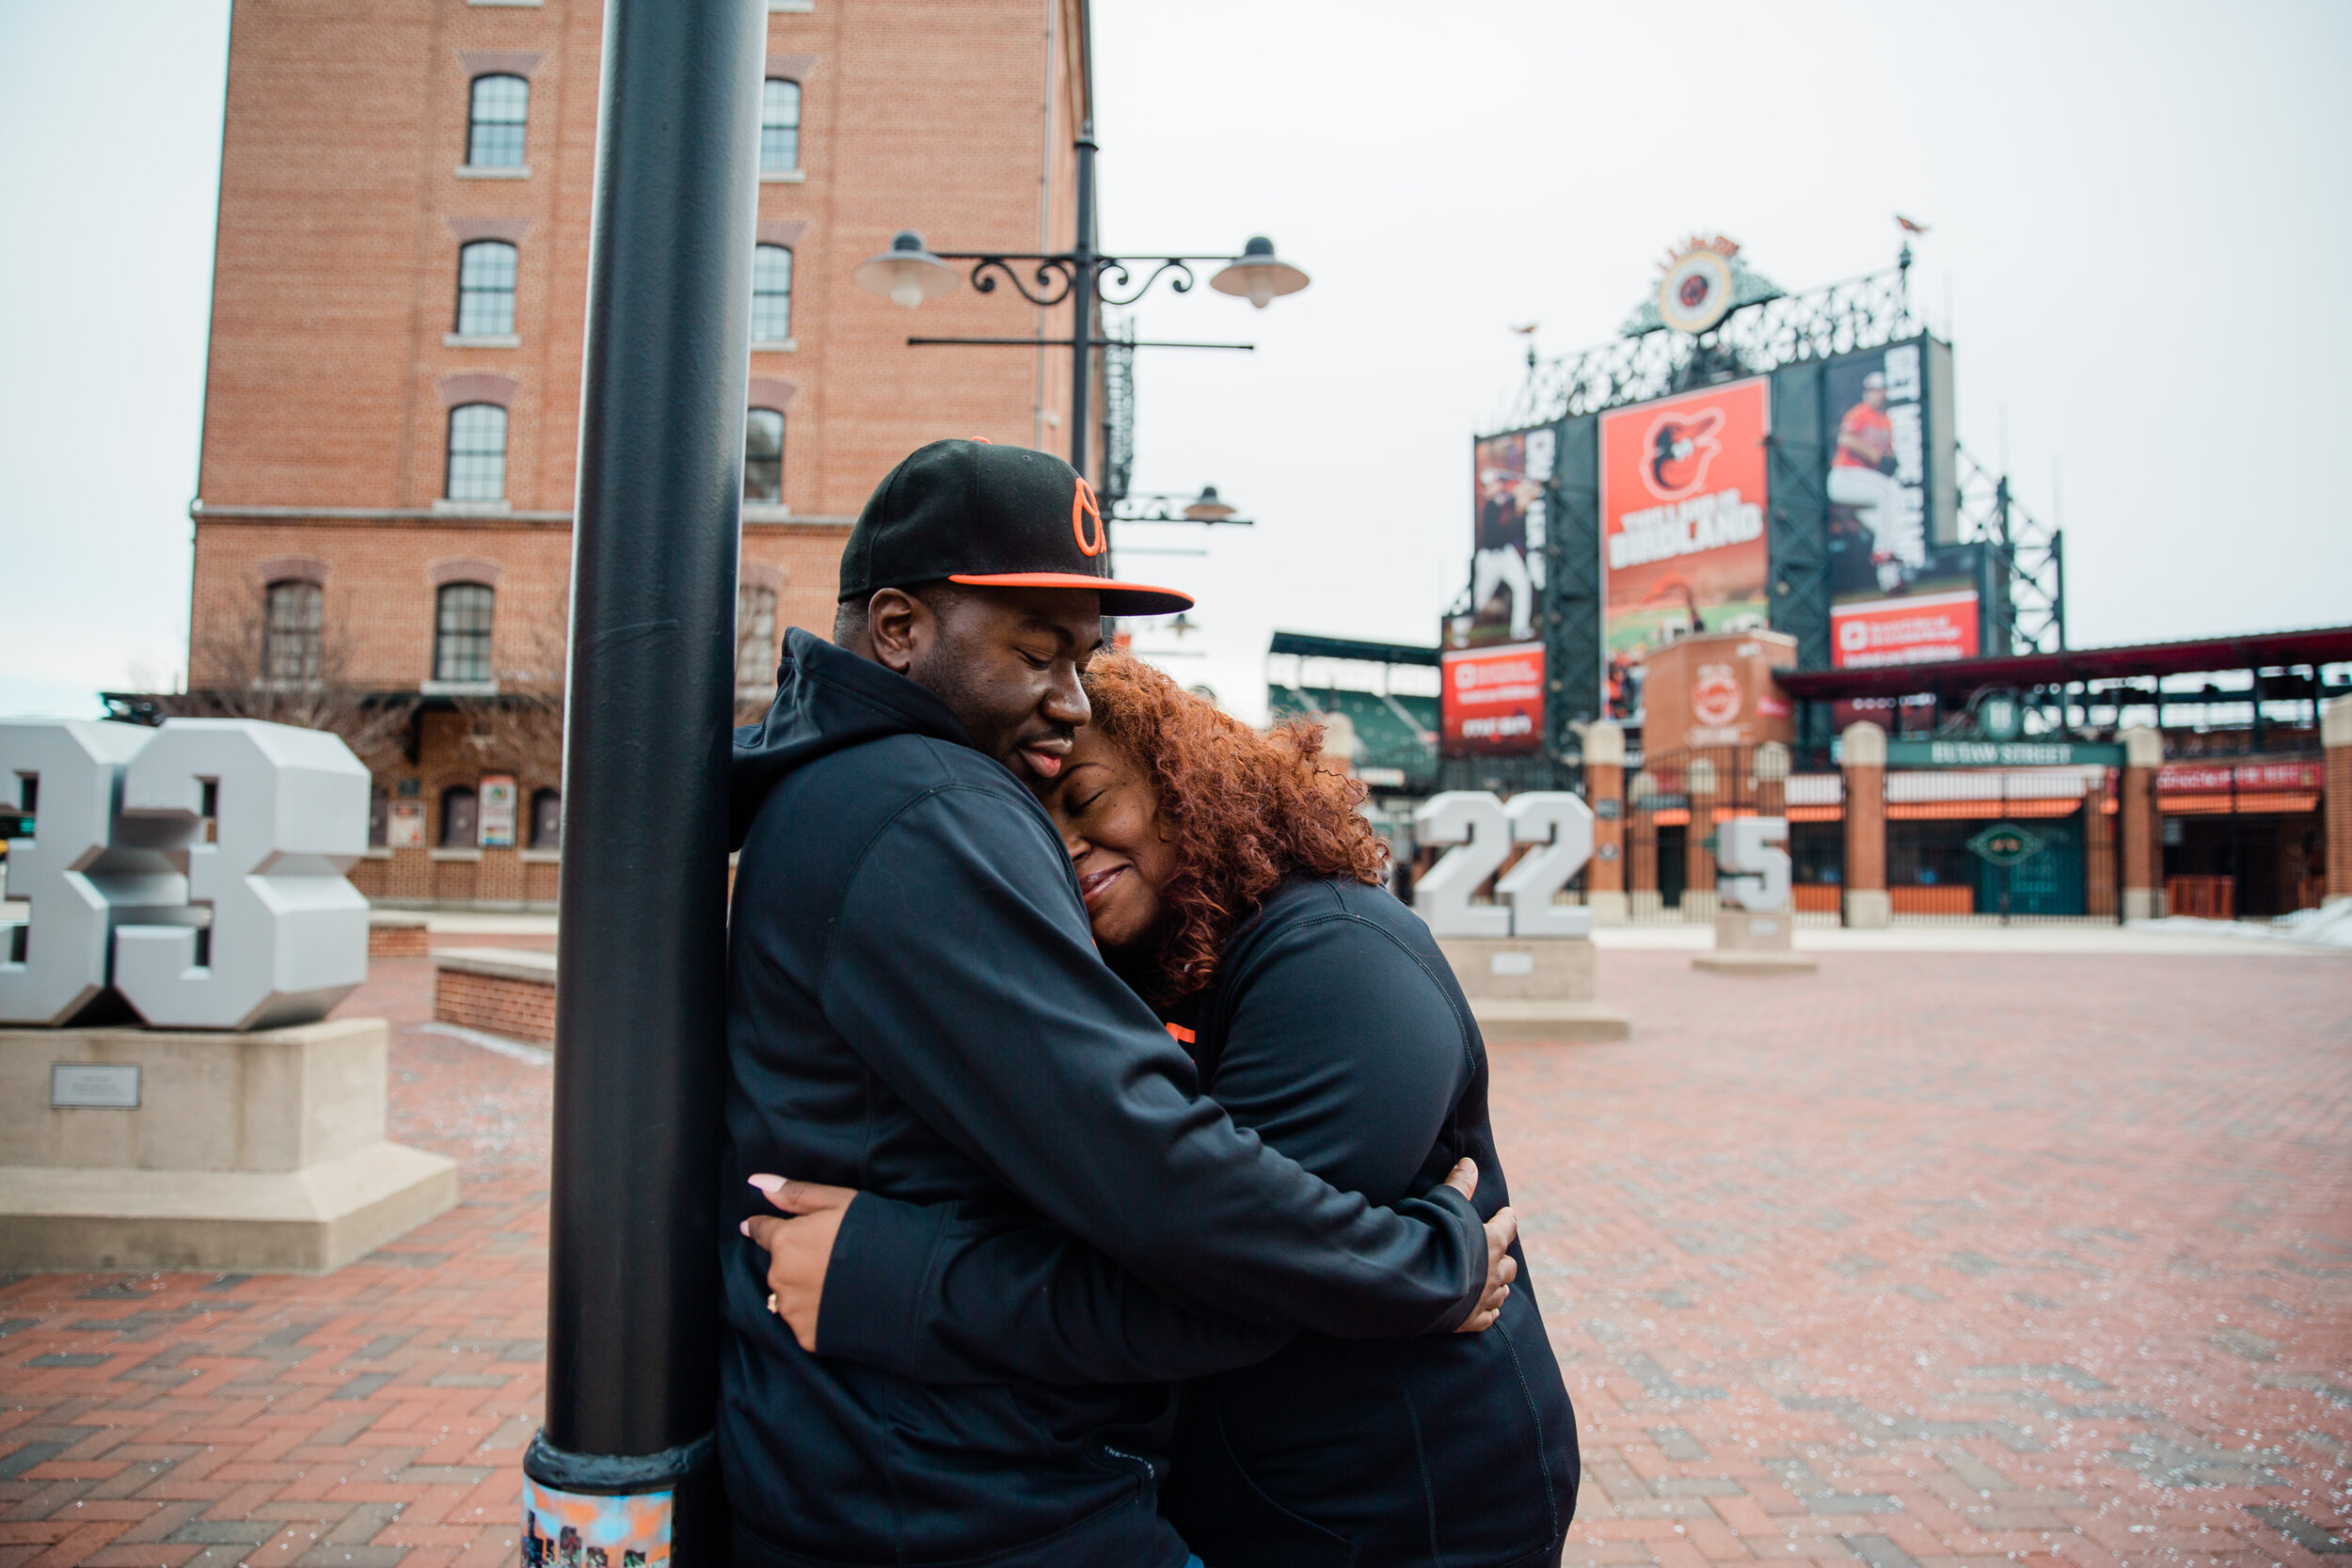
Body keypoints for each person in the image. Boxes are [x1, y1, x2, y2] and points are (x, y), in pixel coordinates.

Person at [723, 439, 1517, 1568]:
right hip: (955, 1495)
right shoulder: (934, 805)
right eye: (1035, 653)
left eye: (1082, 658)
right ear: (897, 629)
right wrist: (1431, 1261)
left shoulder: (1331, 956)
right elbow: (1171, 1191)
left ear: (1192, 790)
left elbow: (1188, 1228)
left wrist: (894, 1277)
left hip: (1374, 1509)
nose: (1066, 698)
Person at [1826, 370, 1919, 587]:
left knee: (1886, 526)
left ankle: (1889, 582)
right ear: (1866, 392)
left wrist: (1891, 460)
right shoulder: (1859, 413)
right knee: (1889, 491)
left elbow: (1887, 455)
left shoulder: (1887, 421)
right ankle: (1882, 551)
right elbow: (1846, 439)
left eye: (1879, 390)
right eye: (1872, 390)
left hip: (1863, 487)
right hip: (1844, 479)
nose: (1876, 394)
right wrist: (1872, 454)